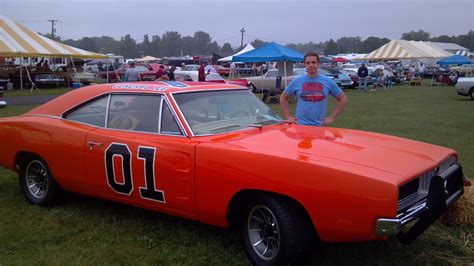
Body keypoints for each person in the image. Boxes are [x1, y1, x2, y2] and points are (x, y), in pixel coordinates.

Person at [280, 52, 347, 126]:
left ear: (318, 63)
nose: (311, 65)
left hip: (320, 126)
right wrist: (288, 116)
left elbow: (343, 99)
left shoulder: (328, 81)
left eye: (313, 62)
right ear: (304, 64)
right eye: (308, 63)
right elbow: (283, 97)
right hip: (300, 126)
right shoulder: (297, 81)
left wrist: (331, 118)